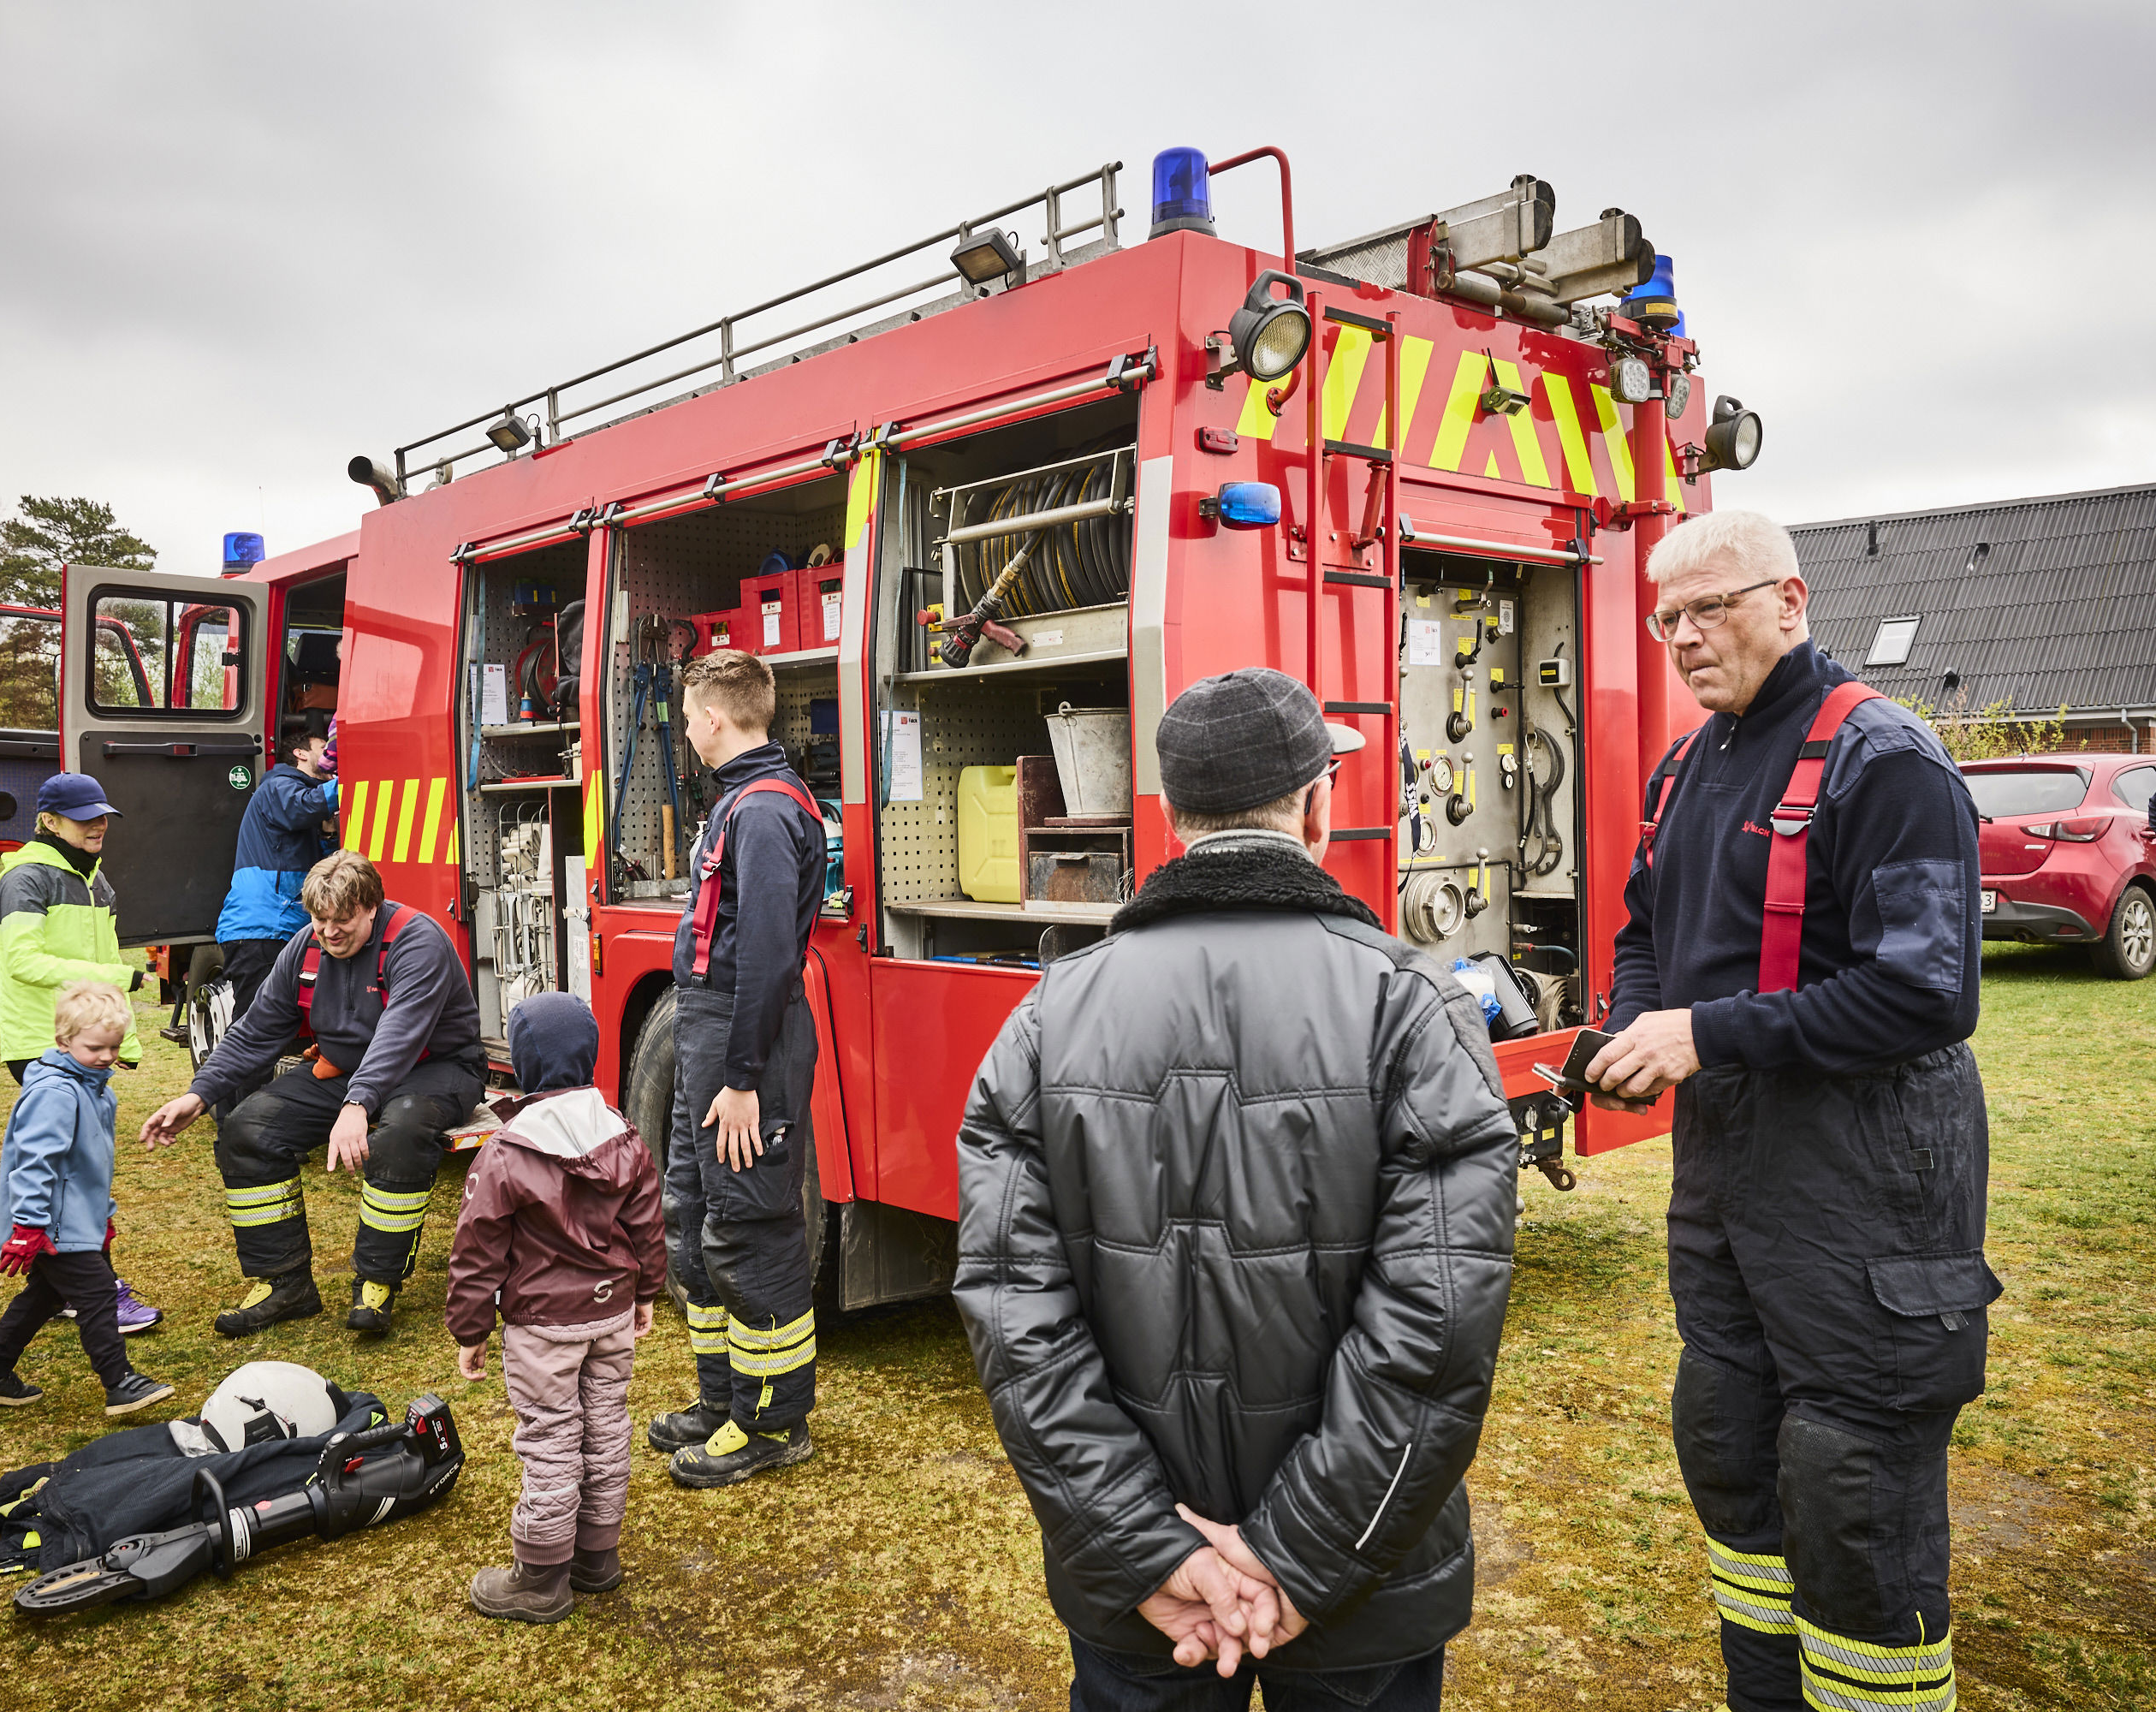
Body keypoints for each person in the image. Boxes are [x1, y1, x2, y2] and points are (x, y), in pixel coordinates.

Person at [956, 668, 1521, 1710]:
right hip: (1361, 1587)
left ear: (1171, 814)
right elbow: (1437, 1326)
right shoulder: (1414, 1005)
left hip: (1145, 1600)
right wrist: (1299, 1557)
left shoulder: (1047, 1016)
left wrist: (1152, 1551)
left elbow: (1014, 1316)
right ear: (1319, 804)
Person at [1589, 510, 1993, 1712]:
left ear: (1793, 598)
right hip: (1729, 1175)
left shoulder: (1887, 760)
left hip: (1866, 1179)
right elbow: (1644, 933)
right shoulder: (1689, 764)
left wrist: (1703, 1035)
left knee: (1851, 1480)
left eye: (1712, 607)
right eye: (1668, 619)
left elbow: (1928, 991)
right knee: (1729, 1441)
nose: (1685, 638)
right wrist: (1636, 1022)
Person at [138, 851, 486, 1338]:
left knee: (400, 1133)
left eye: (341, 921)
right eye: (319, 920)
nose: (329, 932)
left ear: (372, 907)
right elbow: (255, 1030)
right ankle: (285, 1283)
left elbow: (401, 1032)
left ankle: (377, 1282)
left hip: (434, 1068)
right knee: (246, 1126)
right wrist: (198, 1095)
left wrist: (358, 1104)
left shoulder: (416, 940)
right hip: (349, 1070)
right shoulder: (306, 946)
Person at [644, 649, 828, 1489]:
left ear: (714, 717)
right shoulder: (744, 801)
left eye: (688, 716)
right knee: (695, 1215)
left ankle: (771, 1422)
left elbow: (764, 955)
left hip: (743, 1042)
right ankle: (721, 1400)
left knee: (750, 1224)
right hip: (713, 1034)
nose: (684, 729)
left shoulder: (758, 812)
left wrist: (745, 1076)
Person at [448, 993, 666, 1624]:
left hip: (544, 1326)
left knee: (550, 1438)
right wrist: (645, 1291)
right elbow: (648, 1222)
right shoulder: (622, 1134)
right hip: (610, 1315)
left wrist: (471, 1328)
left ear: (523, 1063)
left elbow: (477, 1249)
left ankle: (541, 1576)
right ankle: (597, 1556)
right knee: (606, 1428)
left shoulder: (507, 1152)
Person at [0, 772, 160, 1336]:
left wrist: (121, 1040)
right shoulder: (26, 879)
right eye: (84, 816)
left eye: (102, 813)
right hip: (42, 1046)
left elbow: (98, 954)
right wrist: (117, 977)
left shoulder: (93, 877)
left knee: (78, 1173)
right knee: (68, 1174)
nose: (98, 824)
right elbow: (24, 962)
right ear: (49, 822)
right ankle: (95, 1292)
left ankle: (69, 1289)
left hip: (83, 1045)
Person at [0, 981, 175, 1419]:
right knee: (97, 1292)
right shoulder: (56, 1095)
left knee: (46, 1295)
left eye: (114, 1047)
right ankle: (120, 1384)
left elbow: (86, 1169)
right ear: (64, 1041)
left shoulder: (95, 1089)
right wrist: (27, 1227)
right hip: (48, 1226)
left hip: (72, 1222)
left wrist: (101, 1217)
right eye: (96, 1047)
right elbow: (35, 1165)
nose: (107, 1057)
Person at [216, 710, 340, 1025]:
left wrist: (327, 833)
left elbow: (319, 865)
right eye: (324, 749)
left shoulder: (301, 794)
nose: (331, 755)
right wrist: (354, 778)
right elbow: (301, 808)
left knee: (277, 1024)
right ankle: (234, 1075)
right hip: (262, 930)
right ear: (300, 753)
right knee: (256, 1028)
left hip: (282, 928)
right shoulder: (279, 784)